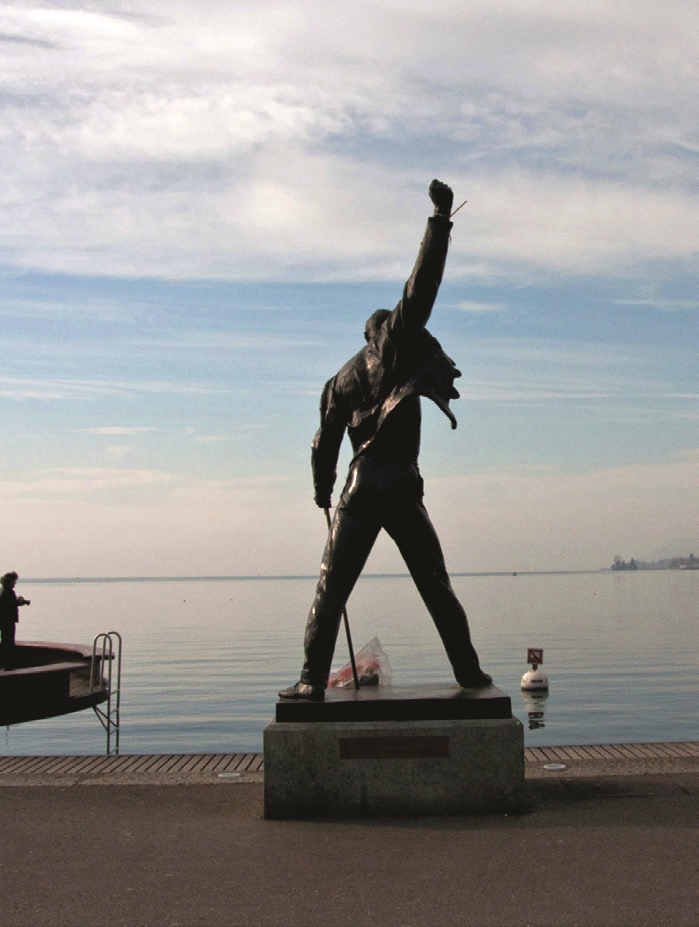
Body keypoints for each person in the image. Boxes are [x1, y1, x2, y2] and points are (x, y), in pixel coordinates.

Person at [280, 179, 492, 701]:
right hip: (398, 484)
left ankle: (311, 679)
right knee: (435, 587)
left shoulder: (337, 382)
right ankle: (468, 673)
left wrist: (320, 489)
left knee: (330, 590)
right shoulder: (394, 344)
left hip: (357, 489)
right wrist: (440, 220)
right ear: (383, 331)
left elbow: (321, 445)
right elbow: (420, 290)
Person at [0, 572, 30, 670]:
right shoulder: (8, 592)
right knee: (9, 642)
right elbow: (10, 605)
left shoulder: (5, 592)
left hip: (4, 621)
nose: (15, 583)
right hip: (8, 621)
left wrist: (20, 602)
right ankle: (9, 665)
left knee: (5, 641)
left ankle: (5, 663)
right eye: (14, 581)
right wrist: (20, 601)